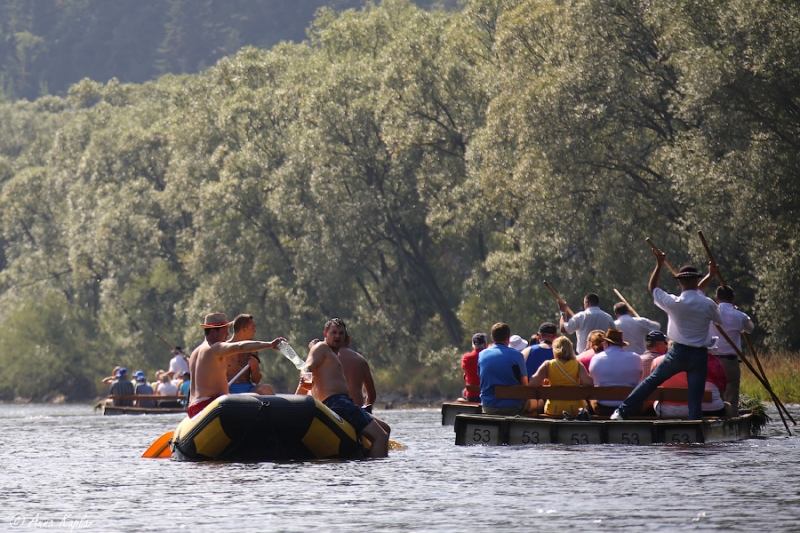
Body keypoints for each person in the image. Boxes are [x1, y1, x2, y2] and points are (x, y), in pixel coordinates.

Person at [611, 254, 722, 421]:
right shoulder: (708, 304)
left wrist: (659, 264)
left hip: (677, 352)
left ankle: (621, 413)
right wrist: (711, 275)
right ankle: (695, 426)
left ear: (679, 283)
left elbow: (653, 287)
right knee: (695, 397)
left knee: (650, 382)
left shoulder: (673, 302)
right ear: (695, 281)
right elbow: (717, 319)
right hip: (699, 355)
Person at [295, 318, 390, 458]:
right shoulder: (322, 348)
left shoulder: (331, 354)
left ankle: (365, 454)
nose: (338, 336)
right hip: (337, 403)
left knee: (386, 429)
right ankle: (374, 473)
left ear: (346, 337)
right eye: (333, 333)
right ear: (325, 334)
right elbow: (307, 366)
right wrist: (305, 376)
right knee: (380, 437)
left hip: (345, 403)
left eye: (341, 333)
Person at [187, 312, 285, 418]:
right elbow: (239, 346)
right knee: (255, 398)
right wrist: (270, 344)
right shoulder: (215, 348)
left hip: (193, 407)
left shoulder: (195, 352)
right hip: (210, 406)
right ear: (213, 332)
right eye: (225, 331)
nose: (228, 335)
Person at [710, 285, 754, 416]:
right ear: (733, 298)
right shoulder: (739, 315)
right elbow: (750, 329)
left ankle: (715, 416)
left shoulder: (710, 313)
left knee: (714, 391)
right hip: (730, 361)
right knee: (732, 394)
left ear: (717, 299)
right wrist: (739, 313)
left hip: (712, 360)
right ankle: (732, 417)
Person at [528, 336, 593, 417]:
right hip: (576, 408)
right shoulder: (577, 364)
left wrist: (542, 382)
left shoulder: (548, 365)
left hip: (554, 409)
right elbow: (589, 382)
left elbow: (532, 383)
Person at [651, 352, 727, 418]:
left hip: (663, 411)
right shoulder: (693, 362)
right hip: (688, 410)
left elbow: (652, 385)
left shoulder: (658, 360)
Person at [478, 322, 530, 415]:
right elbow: (525, 386)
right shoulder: (517, 355)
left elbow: (481, 378)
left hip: (488, 406)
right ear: (508, 337)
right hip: (513, 406)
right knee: (538, 403)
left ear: (492, 337)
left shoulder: (482, 355)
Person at [588, 329, 643, 416]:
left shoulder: (596, 358)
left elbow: (593, 379)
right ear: (621, 344)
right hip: (629, 406)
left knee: (590, 398)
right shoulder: (636, 358)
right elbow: (639, 378)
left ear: (607, 343)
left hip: (603, 407)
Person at [225, 314, 275, 395]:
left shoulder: (252, 349)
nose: (255, 331)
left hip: (249, 388)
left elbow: (256, 380)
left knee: (266, 388)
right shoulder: (224, 349)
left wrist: (254, 368)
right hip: (229, 390)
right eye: (252, 328)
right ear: (244, 329)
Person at [338, 333, 377, 408]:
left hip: (334, 411)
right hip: (356, 411)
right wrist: (364, 411)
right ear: (348, 340)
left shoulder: (327, 359)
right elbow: (372, 395)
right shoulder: (361, 360)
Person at [461, 333, 487, 403]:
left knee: (463, 392)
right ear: (485, 343)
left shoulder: (466, 358)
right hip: (486, 395)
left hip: (471, 396)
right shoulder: (488, 357)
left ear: (473, 344)